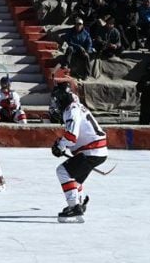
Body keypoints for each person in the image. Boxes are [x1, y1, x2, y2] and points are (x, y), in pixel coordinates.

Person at [50, 83, 108, 222]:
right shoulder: (76, 104)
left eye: (57, 99)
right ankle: (79, 203)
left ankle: (75, 206)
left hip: (91, 151)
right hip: (98, 150)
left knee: (63, 172)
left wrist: (60, 146)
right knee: (74, 178)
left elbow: (71, 136)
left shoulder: (71, 110)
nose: (55, 103)